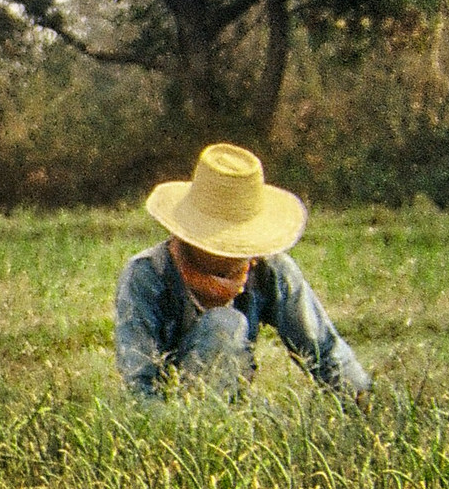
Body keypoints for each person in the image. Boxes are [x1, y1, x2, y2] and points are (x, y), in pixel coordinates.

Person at [115, 143, 371, 400]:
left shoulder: (270, 270)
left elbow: (323, 350)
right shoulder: (147, 275)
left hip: (232, 398)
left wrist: (362, 401)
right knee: (225, 325)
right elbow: (139, 385)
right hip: (174, 408)